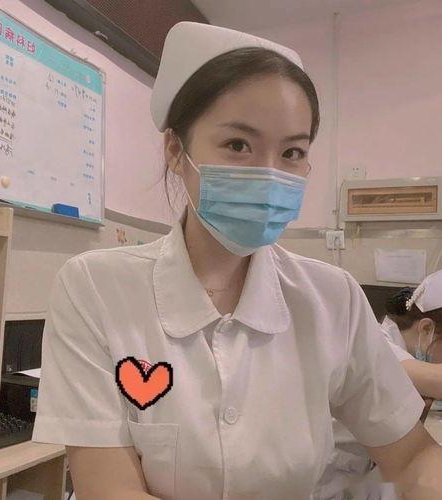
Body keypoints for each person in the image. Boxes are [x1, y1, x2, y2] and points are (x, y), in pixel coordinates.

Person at [32, 21, 442, 500]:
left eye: (292, 152)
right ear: (175, 150)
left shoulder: (333, 298)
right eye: (238, 145)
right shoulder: (94, 287)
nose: (269, 174)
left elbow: (411, 456)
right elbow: (110, 490)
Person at [313, 271, 442, 499]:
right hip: (329, 485)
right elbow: (435, 379)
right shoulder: (383, 347)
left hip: (364, 476)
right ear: (426, 329)